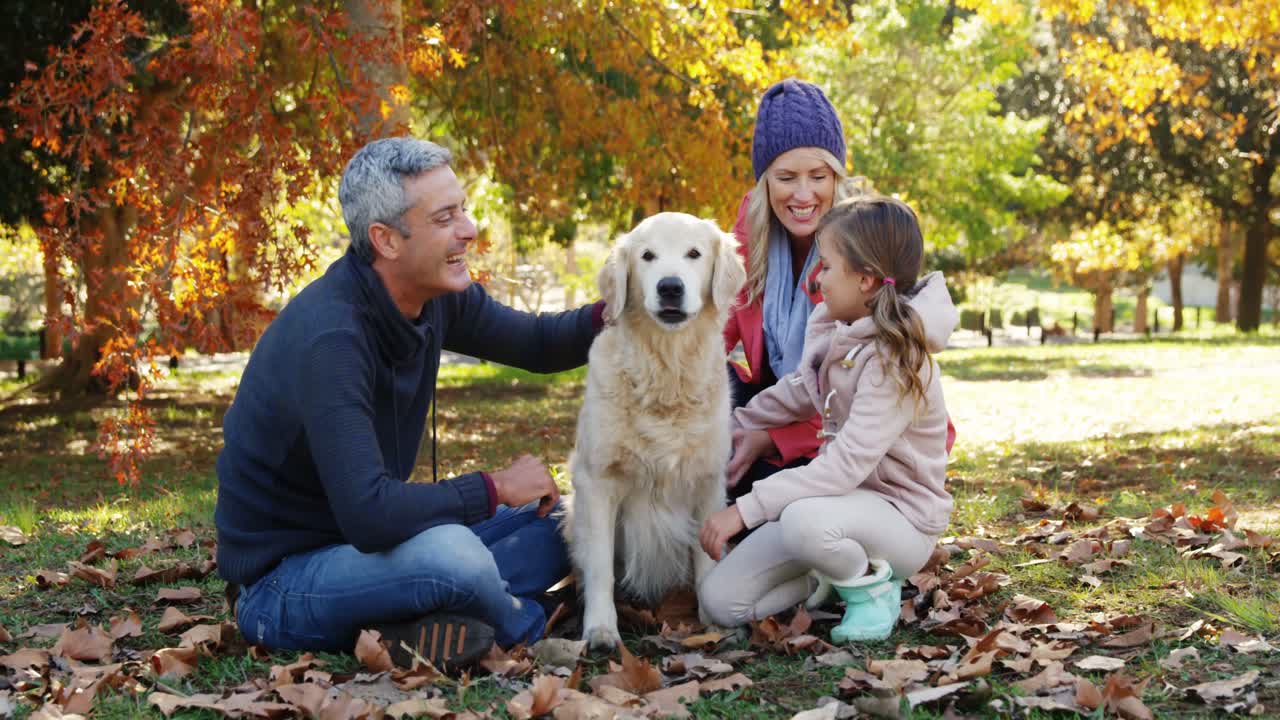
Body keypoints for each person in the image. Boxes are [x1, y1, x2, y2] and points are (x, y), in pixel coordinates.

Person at [214, 137, 604, 669]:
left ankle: (418, 626)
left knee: (565, 520)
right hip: (281, 583)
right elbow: (370, 514)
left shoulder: (435, 297)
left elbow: (536, 344)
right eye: (445, 218)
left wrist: (630, 301)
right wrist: (493, 488)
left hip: (381, 552)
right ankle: (525, 622)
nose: (468, 229)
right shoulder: (331, 339)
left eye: (463, 210)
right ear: (386, 240)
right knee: (456, 558)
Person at [698, 195, 958, 643]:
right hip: (835, 512)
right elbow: (801, 390)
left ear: (865, 280)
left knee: (801, 519)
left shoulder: (897, 360)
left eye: (826, 266)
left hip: (900, 522)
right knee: (720, 602)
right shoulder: (839, 330)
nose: (817, 279)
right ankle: (828, 576)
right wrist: (734, 424)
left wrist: (745, 509)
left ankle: (872, 588)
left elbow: (845, 466)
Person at [722, 78, 864, 501]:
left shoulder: (862, 240)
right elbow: (719, 324)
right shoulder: (752, 226)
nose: (803, 195)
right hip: (776, 394)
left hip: (842, 420)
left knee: (763, 514)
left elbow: (857, 394)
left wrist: (767, 439)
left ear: (836, 176)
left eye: (818, 176)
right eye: (786, 177)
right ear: (766, 182)